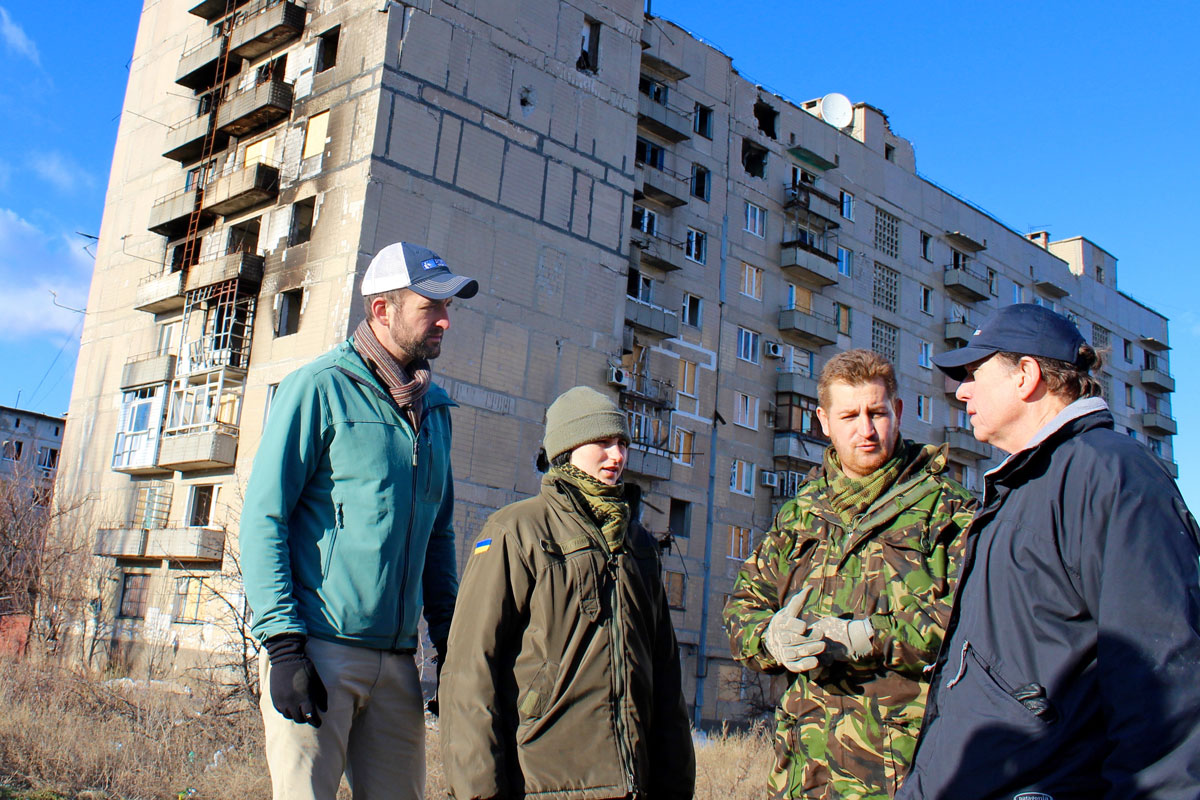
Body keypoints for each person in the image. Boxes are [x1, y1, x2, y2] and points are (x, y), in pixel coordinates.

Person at [897, 303, 1200, 800]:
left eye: (975, 372)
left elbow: (1164, 688)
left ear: (1026, 376)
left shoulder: (1110, 476)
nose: (962, 390)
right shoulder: (1023, 488)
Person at [240, 242, 477, 800]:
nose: (445, 320)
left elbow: (437, 539)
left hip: (398, 664)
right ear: (382, 310)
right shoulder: (318, 388)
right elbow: (264, 517)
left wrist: (449, 644)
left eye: (449, 308)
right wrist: (283, 645)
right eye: (430, 307)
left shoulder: (435, 410)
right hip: (319, 652)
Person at [724, 349, 976, 799]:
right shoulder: (801, 513)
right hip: (805, 774)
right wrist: (770, 638)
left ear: (897, 412)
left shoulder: (949, 510)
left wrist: (865, 637)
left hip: (906, 773)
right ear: (823, 420)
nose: (865, 430)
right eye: (849, 416)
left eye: (876, 412)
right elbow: (742, 607)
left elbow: (971, 630)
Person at [440, 386, 695, 800]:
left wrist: (676, 786)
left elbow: (666, 681)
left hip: (635, 786)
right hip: (544, 784)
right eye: (602, 443)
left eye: (623, 444)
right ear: (568, 447)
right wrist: (478, 792)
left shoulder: (639, 545)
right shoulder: (517, 531)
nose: (617, 456)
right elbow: (469, 669)